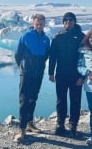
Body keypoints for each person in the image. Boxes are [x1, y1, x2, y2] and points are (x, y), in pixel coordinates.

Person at [13, 13, 50, 142]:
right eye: (37, 24)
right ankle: (22, 130)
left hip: (38, 74)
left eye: (41, 24)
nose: (39, 26)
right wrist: (22, 68)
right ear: (33, 24)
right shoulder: (26, 36)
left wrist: (40, 69)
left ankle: (30, 123)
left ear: (44, 24)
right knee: (24, 100)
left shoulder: (46, 39)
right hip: (27, 73)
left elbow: (46, 56)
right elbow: (17, 54)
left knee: (33, 99)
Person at [48, 12, 85, 137]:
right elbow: (52, 56)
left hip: (76, 75)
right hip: (61, 74)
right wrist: (51, 72)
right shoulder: (58, 37)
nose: (68, 22)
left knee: (75, 100)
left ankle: (73, 124)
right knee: (61, 100)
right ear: (63, 22)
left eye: (71, 20)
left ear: (75, 22)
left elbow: (86, 58)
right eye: (66, 20)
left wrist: (82, 76)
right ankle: (60, 124)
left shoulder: (81, 37)